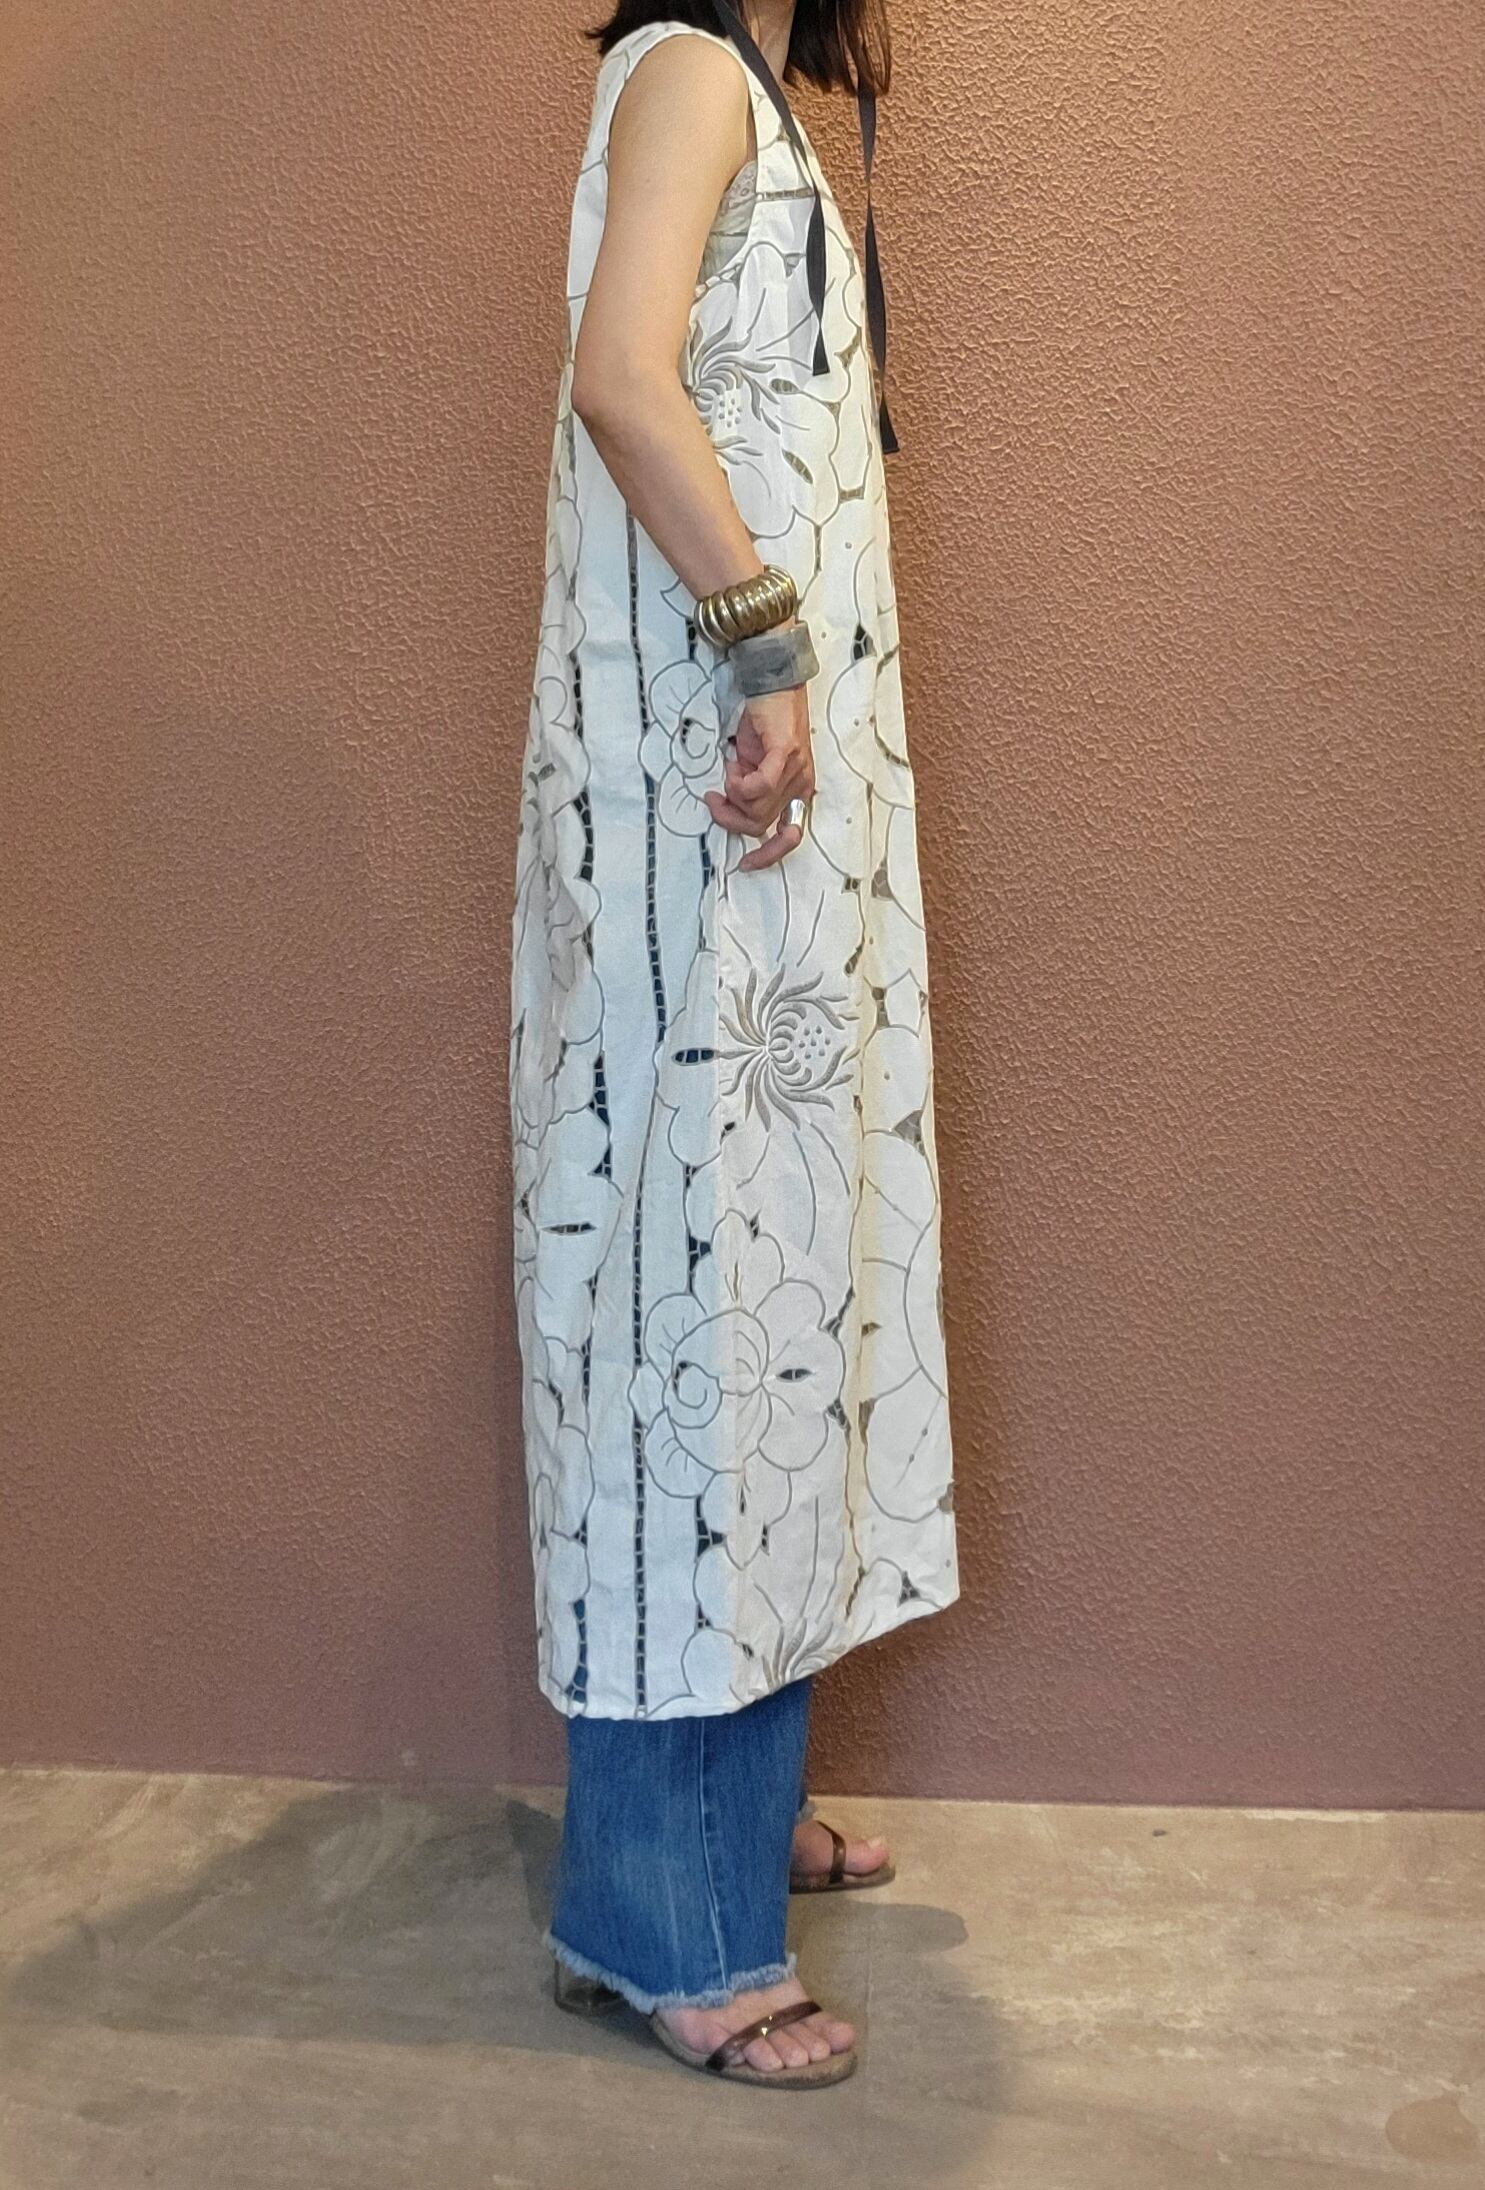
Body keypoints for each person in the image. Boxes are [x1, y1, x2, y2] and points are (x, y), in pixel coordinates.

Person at [508, 0, 958, 2089]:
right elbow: (623, 376)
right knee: (693, 1332)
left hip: (751, 834)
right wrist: (762, 637)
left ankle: (717, 1811)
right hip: (708, 814)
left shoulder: (749, 87)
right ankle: (657, 1917)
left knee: (765, 1312)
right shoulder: (690, 67)